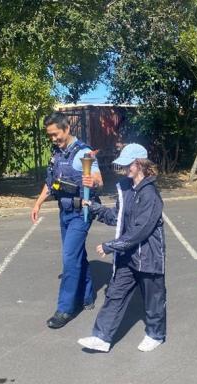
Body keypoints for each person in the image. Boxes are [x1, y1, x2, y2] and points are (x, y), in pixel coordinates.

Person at [77, 144, 166, 352]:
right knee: (115, 294)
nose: (125, 168)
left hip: (149, 256)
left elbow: (140, 231)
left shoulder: (150, 195)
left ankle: (156, 334)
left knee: (154, 300)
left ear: (139, 164)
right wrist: (95, 209)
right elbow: (117, 218)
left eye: (128, 164)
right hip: (128, 256)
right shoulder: (126, 189)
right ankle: (102, 337)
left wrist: (111, 246)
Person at [31, 112, 103, 329]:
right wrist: (38, 203)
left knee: (69, 258)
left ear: (67, 129)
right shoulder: (57, 153)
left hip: (82, 213)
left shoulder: (83, 152)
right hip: (64, 212)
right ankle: (88, 295)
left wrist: (93, 180)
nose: (53, 139)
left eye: (56, 134)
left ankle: (65, 308)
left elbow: (99, 180)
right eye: (50, 136)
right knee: (76, 254)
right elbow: (51, 182)